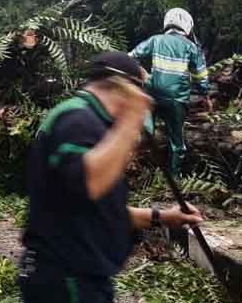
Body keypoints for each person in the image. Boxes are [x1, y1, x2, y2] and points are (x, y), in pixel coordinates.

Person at [20, 52, 204, 303]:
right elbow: (89, 184)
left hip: (83, 279)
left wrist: (163, 217)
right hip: (66, 280)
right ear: (126, 90)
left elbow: (97, 209)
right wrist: (131, 119)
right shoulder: (77, 120)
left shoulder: (92, 125)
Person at [129, 8, 210, 177]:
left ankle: (147, 144)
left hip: (153, 94)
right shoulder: (191, 47)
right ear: (187, 26)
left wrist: (143, 73)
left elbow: (130, 57)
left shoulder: (155, 40)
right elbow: (201, 76)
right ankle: (174, 177)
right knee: (177, 143)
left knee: (147, 126)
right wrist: (205, 95)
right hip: (176, 100)